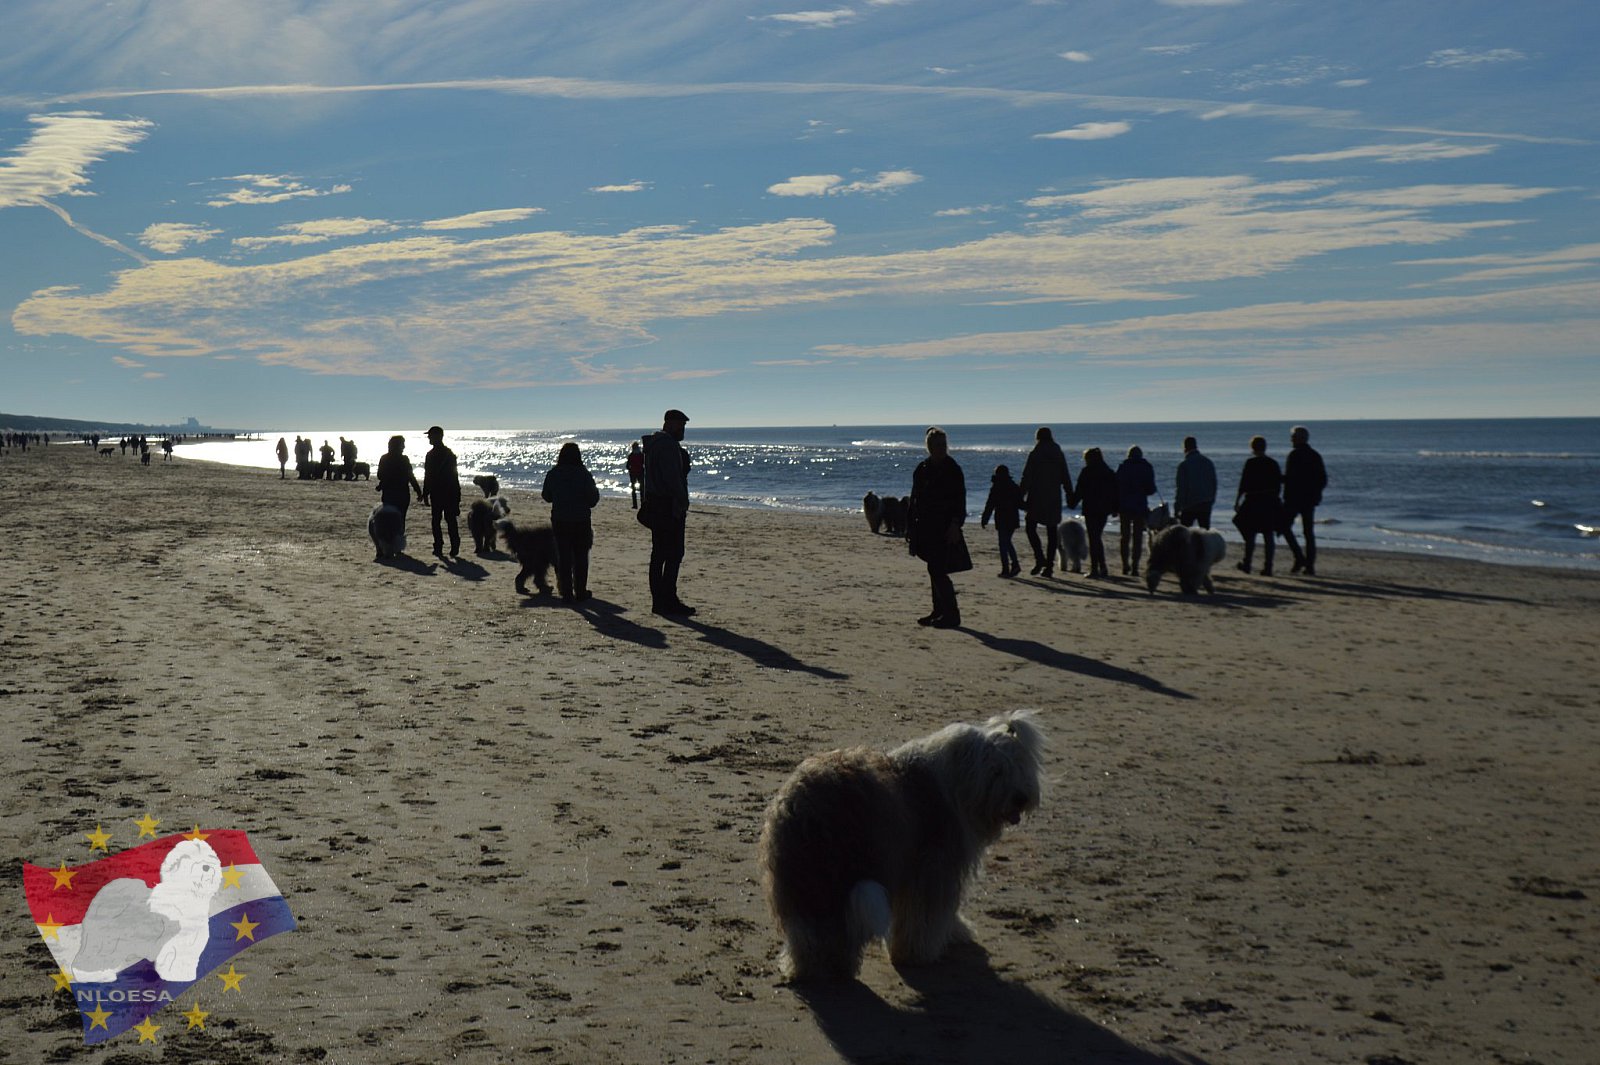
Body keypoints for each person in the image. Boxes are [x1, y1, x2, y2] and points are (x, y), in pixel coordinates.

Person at [906, 426, 968, 628]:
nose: (941, 448)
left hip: (944, 527)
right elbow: (914, 498)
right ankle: (938, 610)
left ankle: (952, 614)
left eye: (944, 445)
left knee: (938, 569)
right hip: (924, 526)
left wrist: (955, 524)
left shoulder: (952, 469)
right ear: (929, 446)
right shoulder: (923, 468)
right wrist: (910, 526)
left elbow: (960, 500)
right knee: (933, 568)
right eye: (937, 445)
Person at [643, 409, 694, 616]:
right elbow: (672, 478)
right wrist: (682, 500)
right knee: (672, 554)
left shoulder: (655, 444)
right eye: (680, 425)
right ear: (670, 424)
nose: (682, 430)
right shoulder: (667, 446)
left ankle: (661, 600)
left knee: (660, 554)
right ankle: (667, 600)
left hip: (657, 504)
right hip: (668, 506)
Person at [543, 442, 600, 601]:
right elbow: (593, 499)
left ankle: (566, 592)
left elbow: (546, 496)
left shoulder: (553, 473)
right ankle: (580, 591)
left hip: (560, 520)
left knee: (564, 557)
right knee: (581, 557)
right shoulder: (584, 474)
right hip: (581, 520)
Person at [1019, 427, 1071, 577]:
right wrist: (1069, 494)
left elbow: (1026, 476)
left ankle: (1039, 558)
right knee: (1052, 531)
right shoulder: (1058, 453)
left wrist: (1020, 496)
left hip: (1036, 496)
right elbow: (1065, 475)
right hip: (1054, 497)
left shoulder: (1035, 454)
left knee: (1030, 527)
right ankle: (1049, 566)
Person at [1233, 435, 1283, 575]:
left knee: (1250, 534)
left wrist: (1237, 500)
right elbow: (1278, 484)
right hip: (1269, 501)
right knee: (1268, 535)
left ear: (1252, 448)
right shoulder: (1272, 463)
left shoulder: (1250, 463)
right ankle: (1268, 566)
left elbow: (1243, 483)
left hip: (1253, 501)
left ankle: (1247, 563)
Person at [1282, 425, 1328, 576]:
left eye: (1293, 437)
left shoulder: (1294, 455)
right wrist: (1316, 494)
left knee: (1284, 526)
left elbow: (1289, 478)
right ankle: (1309, 565)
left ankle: (1300, 557)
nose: (1291, 439)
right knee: (1308, 533)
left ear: (1299, 439)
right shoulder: (1314, 455)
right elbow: (1322, 479)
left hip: (1294, 498)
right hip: (1309, 499)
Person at [1069, 447, 1118, 579]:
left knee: (1094, 537)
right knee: (1096, 537)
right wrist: (1115, 508)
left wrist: (1072, 502)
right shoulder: (1108, 472)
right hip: (1103, 509)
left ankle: (1096, 568)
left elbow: (1080, 489)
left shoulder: (1087, 471)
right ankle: (1101, 567)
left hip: (1091, 508)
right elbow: (1115, 492)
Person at [1115, 445, 1157, 576]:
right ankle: (1135, 566)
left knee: (1124, 537)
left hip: (1124, 506)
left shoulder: (1123, 467)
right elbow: (1151, 489)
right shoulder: (1147, 467)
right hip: (1140, 506)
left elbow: (1117, 487)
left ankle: (1124, 565)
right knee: (1138, 537)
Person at [421, 426, 462, 557]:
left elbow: (428, 476)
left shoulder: (431, 455)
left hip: (438, 492)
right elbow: (454, 477)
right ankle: (453, 545)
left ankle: (439, 546)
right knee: (449, 520)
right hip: (449, 492)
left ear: (437, 436)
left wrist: (425, 492)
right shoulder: (449, 454)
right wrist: (457, 495)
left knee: (437, 521)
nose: (428, 438)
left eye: (430, 436)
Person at [980, 464, 1023, 578]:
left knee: (1004, 543)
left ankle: (1008, 568)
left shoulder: (996, 487)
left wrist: (985, 519)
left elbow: (990, 505)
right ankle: (1013, 565)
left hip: (1002, 519)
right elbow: (1020, 503)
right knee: (1006, 542)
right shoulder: (1013, 486)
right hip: (1013, 518)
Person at [376, 434, 422, 523]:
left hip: (389, 492)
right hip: (402, 493)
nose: (404, 447)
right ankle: (398, 536)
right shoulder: (404, 459)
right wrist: (418, 491)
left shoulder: (384, 458)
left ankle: (390, 535)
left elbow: (379, 475)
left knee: (389, 518)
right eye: (402, 444)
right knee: (401, 518)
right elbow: (410, 476)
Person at [1174, 436, 1217, 529]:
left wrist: (1177, 507)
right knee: (1205, 533)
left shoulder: (1184, 465)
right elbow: (1214, 483)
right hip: (1205, 502)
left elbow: (1181, 488)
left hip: (1190, 504)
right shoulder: (1208, 462)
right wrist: (1211, 499)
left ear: (1185, 448)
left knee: (1184, 533)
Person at [626, 441, 645, 510]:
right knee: (642, 489)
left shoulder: (631, 455)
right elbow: (644, 463)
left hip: (633, 473)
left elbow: (627, 466)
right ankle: (642, 503)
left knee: (633, 489)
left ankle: (635, 504)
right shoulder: (641, 455)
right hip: (640, 472)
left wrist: (630, 469)